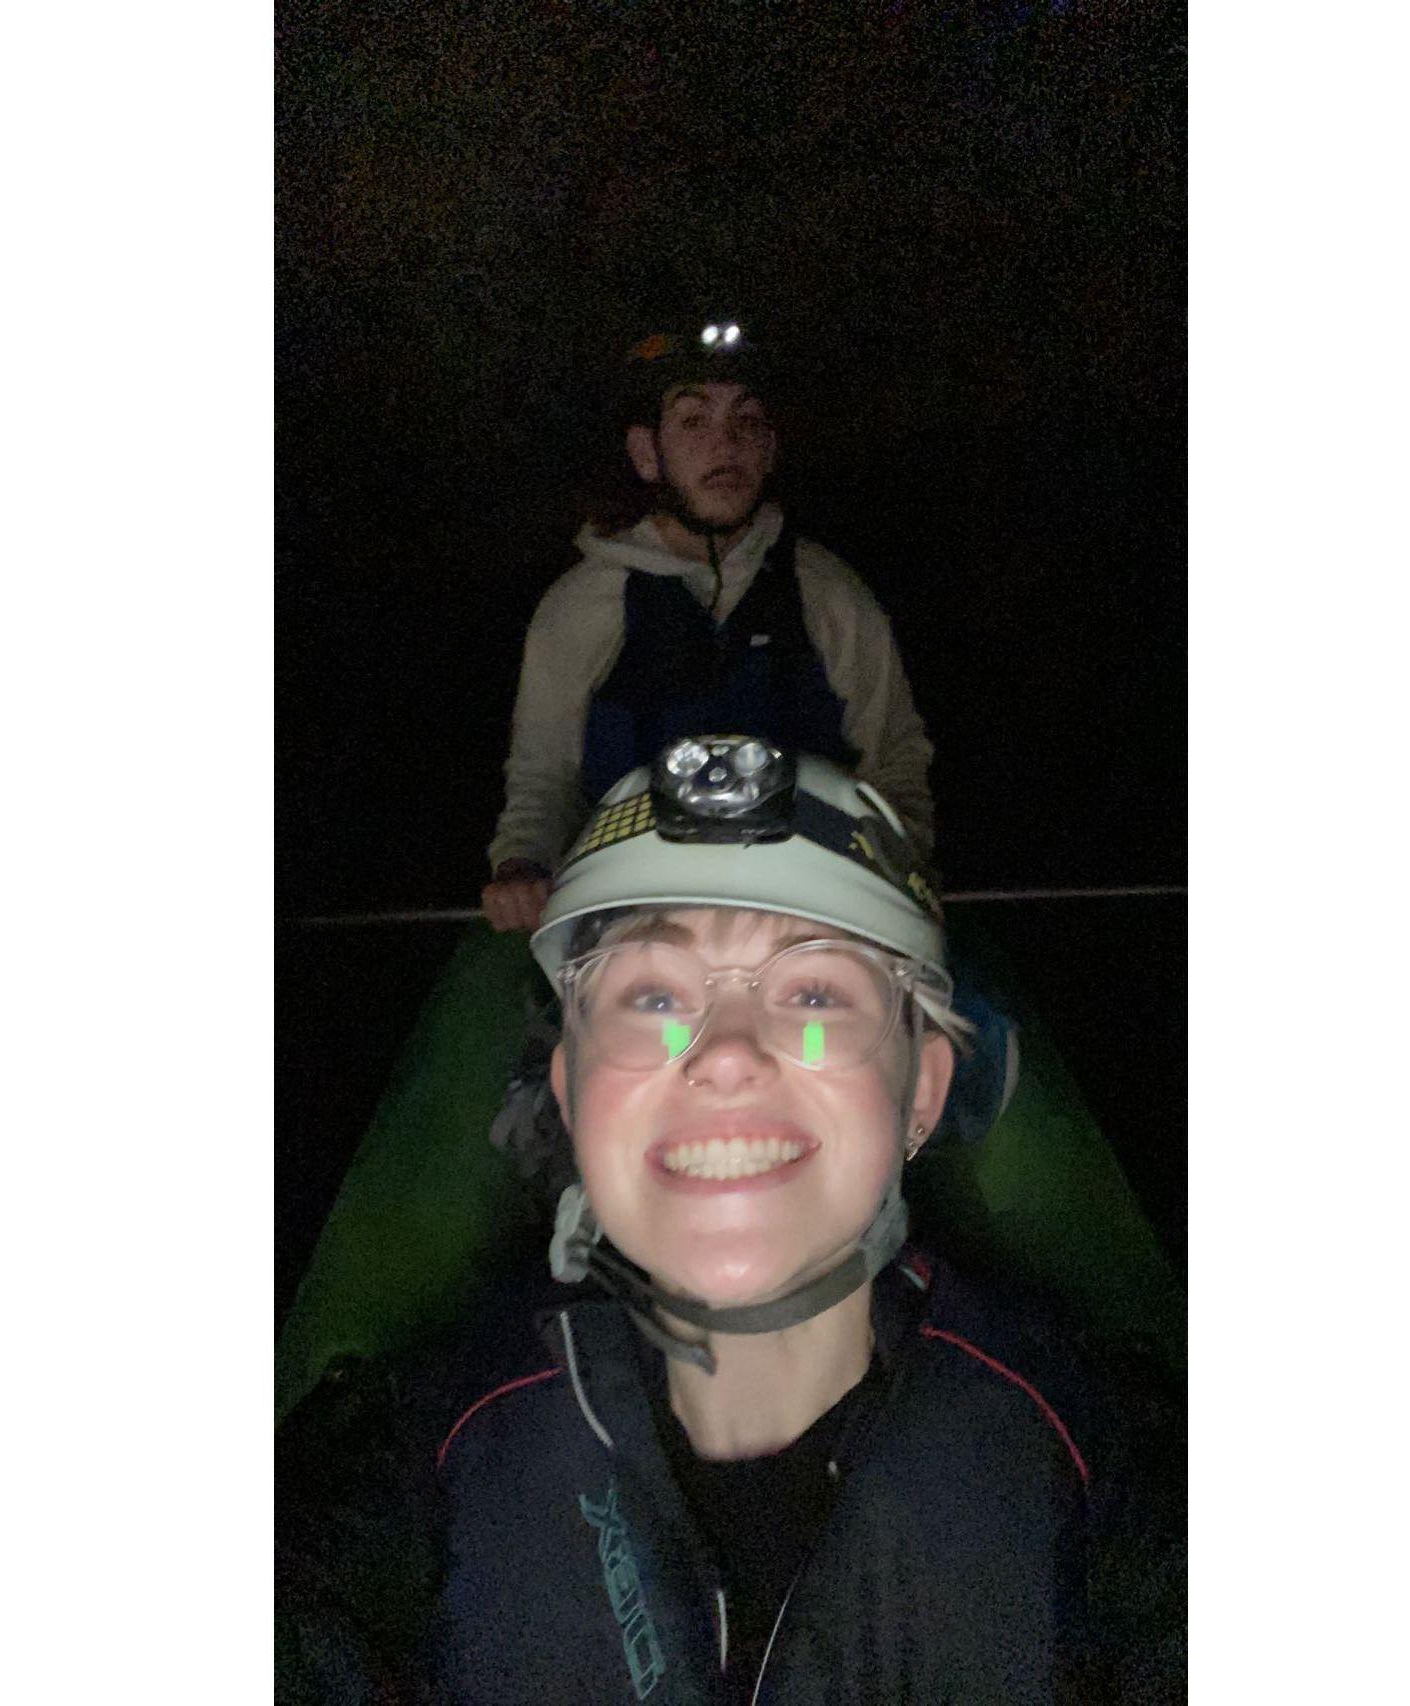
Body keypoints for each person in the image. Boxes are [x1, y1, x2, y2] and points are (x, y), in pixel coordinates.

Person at [278, 735, 1183, 1703]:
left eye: (812, 992)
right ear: (571, 1093)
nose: (724, 1052)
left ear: (920, 1090)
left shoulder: (1097, 1471)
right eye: (653, 994)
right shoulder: (424, 1453)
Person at [481, 319, 937, 935]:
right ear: (647, 453)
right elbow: (543, 778)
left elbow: (894, 760)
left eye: (748, 423)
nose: (727, 447)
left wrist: (898, 873)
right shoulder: (581, 604)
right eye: (695, 422)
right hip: (633, 921)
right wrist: (520, 867)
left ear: (771, 450)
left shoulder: (830, 594)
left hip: (807, 914)